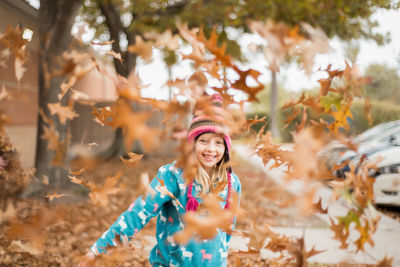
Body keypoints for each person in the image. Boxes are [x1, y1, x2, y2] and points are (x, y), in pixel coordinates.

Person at [78, 94, 241, 267]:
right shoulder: (173, 175)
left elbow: (227, 230)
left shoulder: (232, 183)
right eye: (203, 141)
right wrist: (97, 250)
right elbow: (138, 214)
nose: (211, 149)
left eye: (218, 142)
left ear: (226, 148)